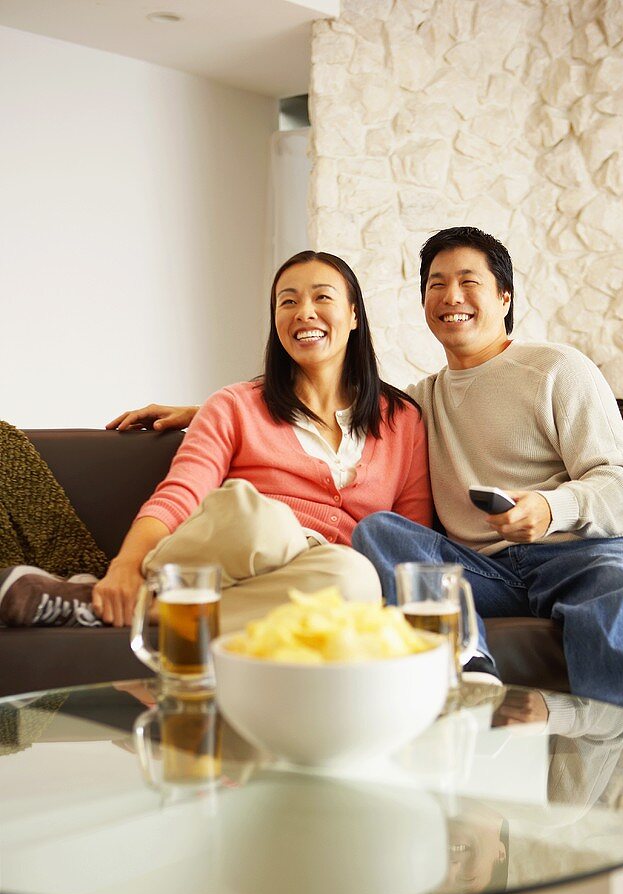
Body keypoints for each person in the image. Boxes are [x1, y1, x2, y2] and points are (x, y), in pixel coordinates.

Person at [95, 227, 623, 727]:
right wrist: (209, 412)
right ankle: (468, 665)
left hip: (585, 552)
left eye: (469, 282)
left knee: (620, 582)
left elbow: (621, 482)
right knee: (376, 530)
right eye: (436, 284)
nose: (451, 296)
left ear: (504, 296)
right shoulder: (417, 400)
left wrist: (551, 509)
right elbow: (312, 401)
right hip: (485, 572)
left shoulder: (551, 370)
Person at [0, 251, 432, 632]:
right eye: (288, 301)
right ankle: (138, 588)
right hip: (217, 555)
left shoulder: (403, 420)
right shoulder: (233, 405)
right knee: (265, 520)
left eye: (322, 297)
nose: (304, 311)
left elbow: (409, 537)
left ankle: (123, 608)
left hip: (308, 576)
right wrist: (125, 566)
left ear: (354, 314)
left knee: (353, 578)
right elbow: (179, 495)